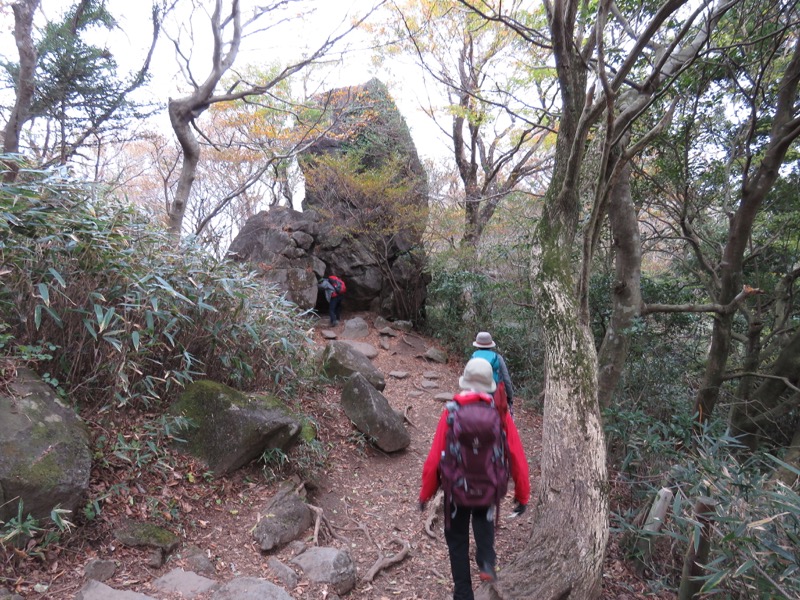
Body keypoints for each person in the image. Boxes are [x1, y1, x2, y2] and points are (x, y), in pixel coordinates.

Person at [419, 358, 530, 600]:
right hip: (488, 487)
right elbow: (517, 456)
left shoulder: (451, 413)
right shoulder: (500, 414)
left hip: (456, 491)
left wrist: (425, 494)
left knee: (457, 541)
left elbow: (434, 459)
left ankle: (463, 593)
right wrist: (522, 495)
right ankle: (487, 562)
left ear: (465, 383)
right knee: (483, 516)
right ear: (490, 385)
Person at [471, 331, 515, 416]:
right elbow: (506, 379)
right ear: (490, 345)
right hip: (493, 395)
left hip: (476, 393)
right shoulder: (497, 358)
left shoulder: (473, 356)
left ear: (477, 345)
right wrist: (510, 396)